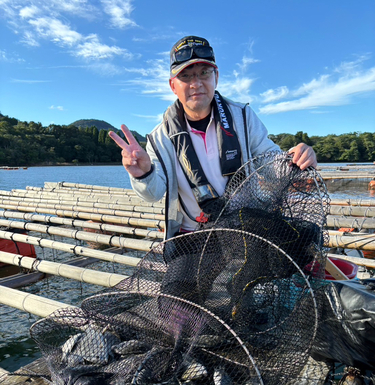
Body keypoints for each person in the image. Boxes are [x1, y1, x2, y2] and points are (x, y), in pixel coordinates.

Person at [109, 35, 317, 240]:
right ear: (173, 85)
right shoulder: (159, 138)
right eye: (186, 76)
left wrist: (294, 160)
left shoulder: (243, 117)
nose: (196, 83)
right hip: (192, 235)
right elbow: (153, 194)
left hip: (247, 229)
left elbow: (270, 162)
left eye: (204, 73)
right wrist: (142, 174)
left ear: (216, 77)